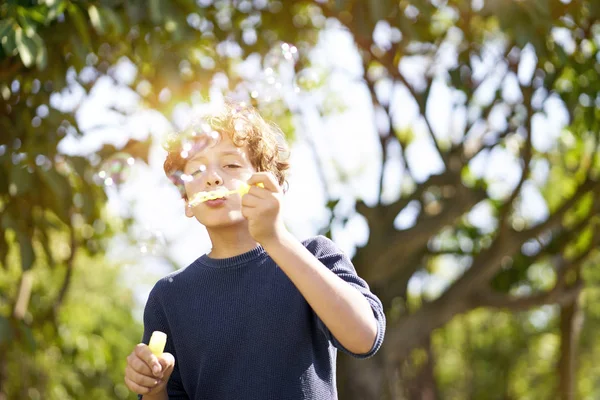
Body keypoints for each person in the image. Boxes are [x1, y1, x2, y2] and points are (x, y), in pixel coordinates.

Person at [124, 101, 386, 399]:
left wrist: (276, 239)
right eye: (196, 170)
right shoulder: (169, 296)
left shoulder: (313, 256)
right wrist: (154, 387)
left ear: (266, 183)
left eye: (231, 165)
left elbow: (364, 338)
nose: (212, 177)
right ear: (187, 202)